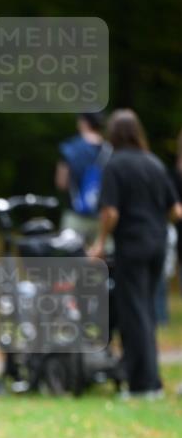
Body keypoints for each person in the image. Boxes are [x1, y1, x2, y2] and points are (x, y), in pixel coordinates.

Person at [88, 110, 181, 397]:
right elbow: (176, 210)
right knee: (147, 312)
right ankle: (150, 379)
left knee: (133, 312)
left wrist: (100, 242)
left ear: (113, 135)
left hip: (132, 244)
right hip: (158, 244)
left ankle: (143, 385)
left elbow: (111, 211)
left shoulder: (115, 165)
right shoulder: (154, 163)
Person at [56, 113, 112, 247]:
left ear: (83, 122)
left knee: (69, 263)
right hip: (103, 217)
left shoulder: (70, 147)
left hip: (75, 215)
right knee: (104, 263)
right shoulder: (110, 150)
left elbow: (61, 183)